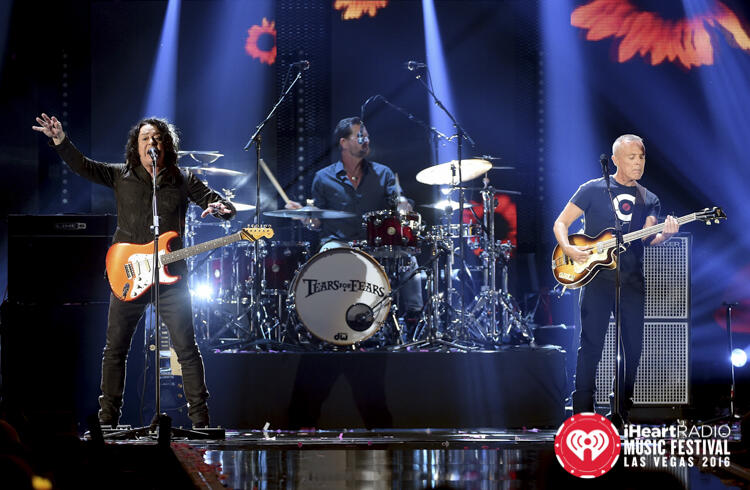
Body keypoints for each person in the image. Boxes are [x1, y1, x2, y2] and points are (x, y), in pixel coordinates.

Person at [32, 113, 236, 428]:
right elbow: (84, 166)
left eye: (156, 138)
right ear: (136, 146)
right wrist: (61, 141)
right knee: (115, 348)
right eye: (145, 138)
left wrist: (224, 209)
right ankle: (108, 421)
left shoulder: (184, 180)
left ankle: (201, 422)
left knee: (186, 349)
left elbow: (219, 203)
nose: (150, 143)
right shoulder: (121, 176)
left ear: (165, 145)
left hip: (171, 277)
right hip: (128, 274)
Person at [553, 134, 679, 422]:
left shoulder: (650, 199)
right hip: (597, 279)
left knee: (633, 348)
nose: (638, 163)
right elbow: (561, 222)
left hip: (632, 280)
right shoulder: (592, 189)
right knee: (591, 345)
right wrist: (568, 246)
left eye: (642, 157)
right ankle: (583, 408)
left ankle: (620, 408)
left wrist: (665, 235)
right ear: (615, 161)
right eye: (632, 157)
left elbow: (648, 238)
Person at [286, 116, 423, 319]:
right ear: (343, 142)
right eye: (360, 137)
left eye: (367, 137)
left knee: (409, 259)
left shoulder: (383, 173)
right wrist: (304, 216)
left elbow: (399, 201)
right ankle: (328, 318)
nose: (366, 140)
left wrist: (405, 205)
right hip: (337, 243)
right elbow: (317, 221)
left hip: (374, 243)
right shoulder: (323, 177)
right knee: (326, 254)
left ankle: (414, 317)